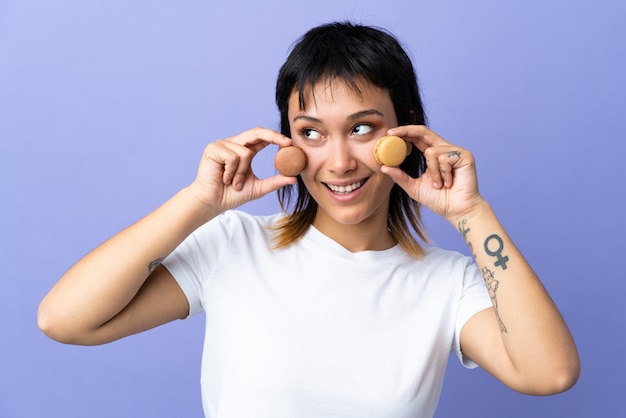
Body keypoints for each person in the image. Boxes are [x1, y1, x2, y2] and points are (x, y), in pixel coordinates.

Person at [38, 21, 579, 417]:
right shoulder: (234, 245)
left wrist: (472, 213)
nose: (338, 161)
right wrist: (198, 203)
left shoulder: (448, 283)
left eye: (363, 128)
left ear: (407, 132)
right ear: (287, 140)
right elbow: (64, 320)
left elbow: (549, 373)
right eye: (312, 133)